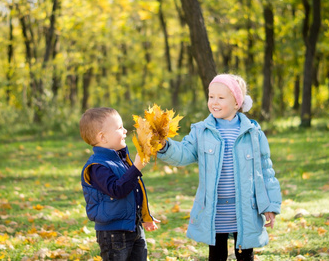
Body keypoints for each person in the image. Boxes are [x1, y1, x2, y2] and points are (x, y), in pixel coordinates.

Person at [157, 74, 282, 261]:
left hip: (245, 208)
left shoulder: (253, 133)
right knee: (216, 255)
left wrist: (270, 205)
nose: (214, 102)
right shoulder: (201, 131)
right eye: (211, 96)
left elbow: (265, 171)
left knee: (245, 255)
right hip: (215, 211)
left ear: (237, 103)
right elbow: (183, 153)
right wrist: (165, 146)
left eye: (221, 98)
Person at [80, 107, 158, 261]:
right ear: (102, 137)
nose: (125, 131)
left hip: (133, 226)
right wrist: (135, 168)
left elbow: (135, 191)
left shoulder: (121, 159)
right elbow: (117, 190)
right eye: (119, 128)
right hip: (113, 233)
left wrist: (145, 216)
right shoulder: (97, 167)